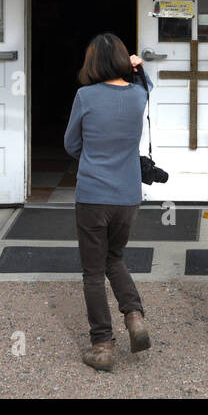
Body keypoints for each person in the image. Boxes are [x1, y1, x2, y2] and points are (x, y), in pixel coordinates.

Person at [64, 32, 153, 371]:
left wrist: (92, 157)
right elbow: (148, 85)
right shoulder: (138, 95)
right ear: (121, 61)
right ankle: (134, 317)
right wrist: (137, 66)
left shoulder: (85, 96)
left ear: (92, 63)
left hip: (92, 194)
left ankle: (102, 345)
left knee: (92, 271)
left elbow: (71, 144)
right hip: (127, 196)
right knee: (115, 258)